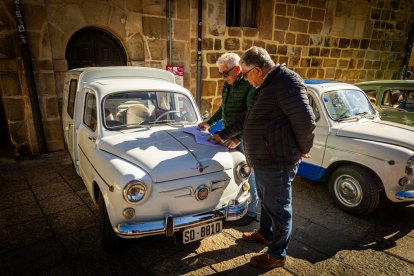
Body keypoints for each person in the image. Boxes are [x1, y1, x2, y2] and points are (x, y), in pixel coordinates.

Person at [209, 46, 316, 269]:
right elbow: (249, 117)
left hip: (278, 160)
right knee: (268, 202)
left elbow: (306, 121)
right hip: (265, 158)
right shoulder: (267, 84)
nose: (246, 80)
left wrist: (303, 149)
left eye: (246, 75)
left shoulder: (286, 81)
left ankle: (277, 254)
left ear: (257, 70)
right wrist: (222, 134)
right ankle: (265, 234)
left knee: (279, 208)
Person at [198, 52, 259, 226]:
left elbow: (250, 116)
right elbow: (223, 109)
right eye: (221, 74)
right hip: (229, 134)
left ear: (238, 69)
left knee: (248, 174)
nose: (223, 77)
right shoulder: (228, 84)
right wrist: (209, 123)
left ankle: (252, 212)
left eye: (225, 73)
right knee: (234, 171)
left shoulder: (249, 86)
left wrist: (239, 138)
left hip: (244, 138)